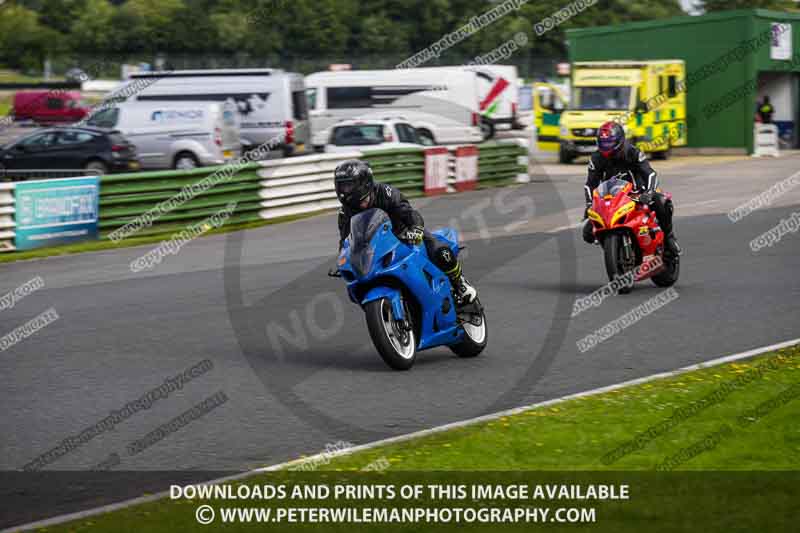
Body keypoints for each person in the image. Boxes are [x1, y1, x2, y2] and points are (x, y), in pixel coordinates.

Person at [333, 159, 477, 304]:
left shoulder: (385, 193)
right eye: (342, 186)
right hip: (377, 248)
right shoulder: (345, 212)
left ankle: (460, 283)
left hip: (405, 235)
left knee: (440, 251)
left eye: (348, 185)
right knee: (357, 285)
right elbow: (346, 241)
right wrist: (343, 260)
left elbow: (409, 213)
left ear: (364, 182)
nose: (345, 190)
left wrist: (416, 228)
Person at [582, 121, 681, 256]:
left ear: (619, 141)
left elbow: (650, 173)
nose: (606, 146)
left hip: (638, 194)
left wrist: (649, 193)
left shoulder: (633, 152)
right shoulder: (596, 158)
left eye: (609, 142)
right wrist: (589, 204)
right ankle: (614, 250)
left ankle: (669, 238)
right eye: (603, 142)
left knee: (661, 201)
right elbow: (590, 184)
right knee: (587, 233)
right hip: (613, 198)